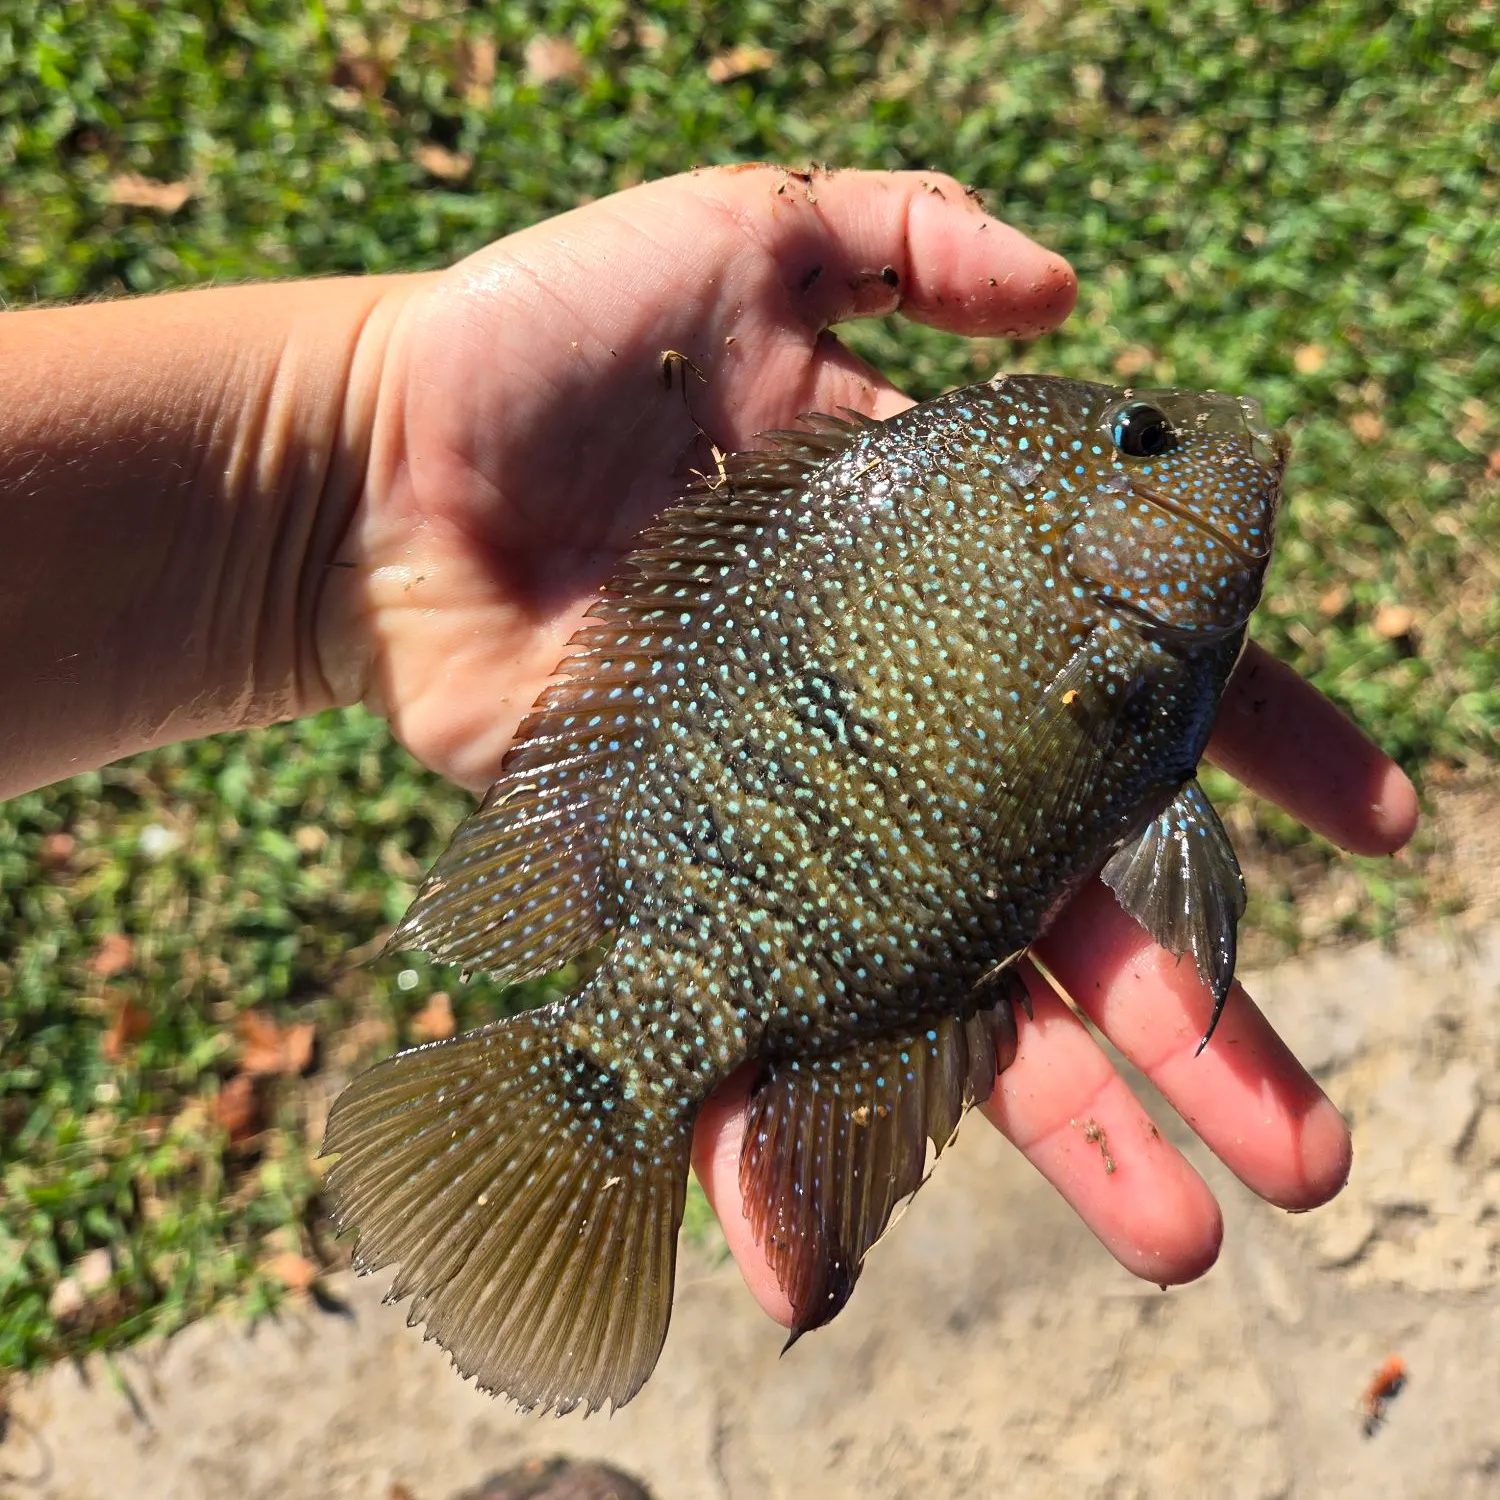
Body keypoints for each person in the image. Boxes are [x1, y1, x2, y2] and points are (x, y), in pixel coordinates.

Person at [0, 165, 1416, 1328]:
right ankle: (597, 1083)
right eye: (1143, 440)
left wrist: (334, 464)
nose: (1193, 447)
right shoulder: (1012, 487)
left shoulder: (1037, 524)